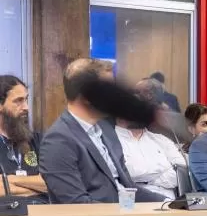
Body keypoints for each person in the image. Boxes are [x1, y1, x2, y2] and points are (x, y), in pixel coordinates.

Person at [39, 58, 163, 204]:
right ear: (86, 97)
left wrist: (168, 202)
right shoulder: (58, 141)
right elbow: (76, 204)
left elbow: (128, 189)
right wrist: (123, 214)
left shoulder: (107, 131)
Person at [115, 116, 187, 200]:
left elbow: (181, 172)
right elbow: (127, 174)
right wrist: (163, 169)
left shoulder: (161, 139)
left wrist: (144, 180)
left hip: (170, 203)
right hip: (131, 202)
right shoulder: (110, 139)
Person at [0, 75, 46, 201]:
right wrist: (34, 186)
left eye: (26, 99)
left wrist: (11, 180)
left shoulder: (38, 140)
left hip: (43, 215)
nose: (26, 107)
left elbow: (53, 183)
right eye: (18, 101)